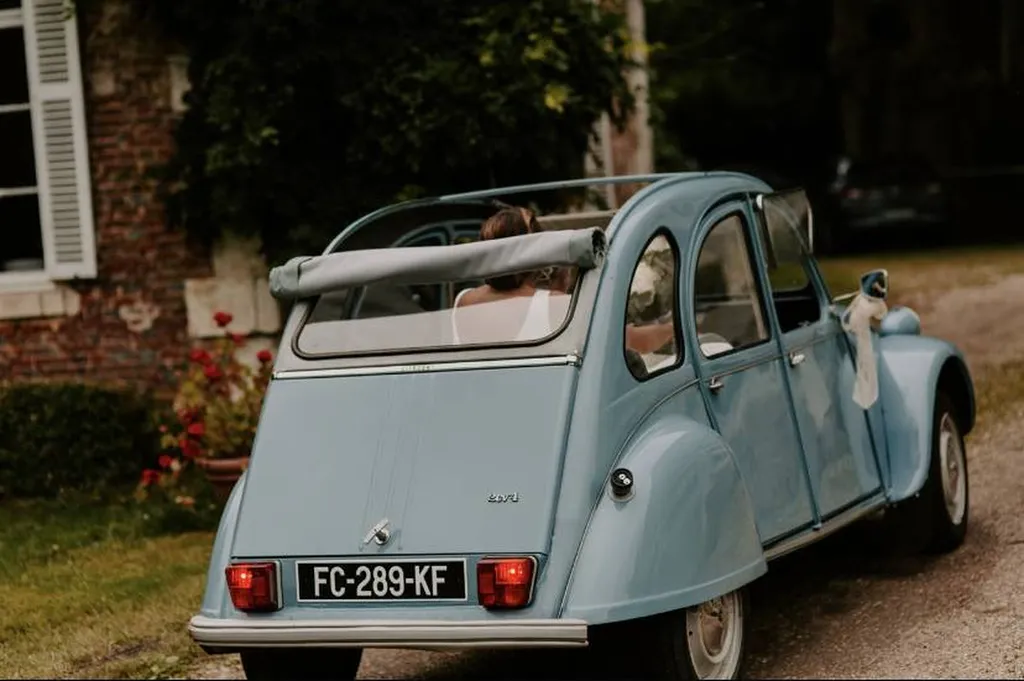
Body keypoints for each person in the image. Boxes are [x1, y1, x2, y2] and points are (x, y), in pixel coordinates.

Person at [453, 206, 675, 354]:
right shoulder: (555, 305)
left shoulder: (464, 301)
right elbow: (630, 342)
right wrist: (672, 328)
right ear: (534, 253)